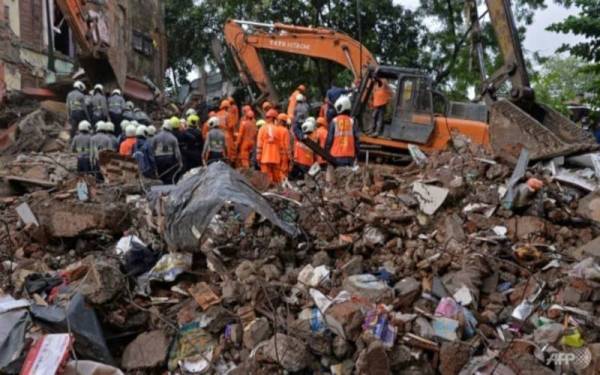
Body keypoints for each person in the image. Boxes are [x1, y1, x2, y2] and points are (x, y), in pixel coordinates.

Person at [325, 96, 360, 167]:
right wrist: (356, 154)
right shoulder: (352, 121)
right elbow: (357, 140)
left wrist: (326, 152)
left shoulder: (334, 121)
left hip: (336, 156)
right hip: (350, 156)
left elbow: (329, 140)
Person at [257, 109, 282, 185]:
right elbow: (281, 145)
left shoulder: (262, 129)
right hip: (276, 158)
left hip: (265, 157)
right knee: (277, 179)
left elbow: (259, 144)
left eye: (267, 117)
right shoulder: (278, 129)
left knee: (266, 179)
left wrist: (258, 157)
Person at [276, 113, 292, 182]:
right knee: (284, 170)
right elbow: (287, 145)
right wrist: (290, 157)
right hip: (284, 154)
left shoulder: (275, 129)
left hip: (276, 153)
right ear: (284, 122)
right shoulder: (285, 131)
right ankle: (283, 185)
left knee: (277, 170)